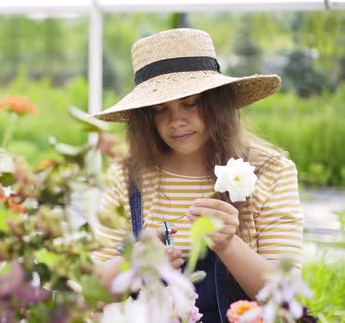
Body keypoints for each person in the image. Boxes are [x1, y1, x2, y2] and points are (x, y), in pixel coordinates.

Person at [91, 28, 303, 322]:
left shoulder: (269, 170)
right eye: (159, 109)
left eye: (191, 103)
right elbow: (90, 291)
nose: (176, 121)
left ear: (217, 102)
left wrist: (229, 244)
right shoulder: (129, 176)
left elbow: (286, 297)